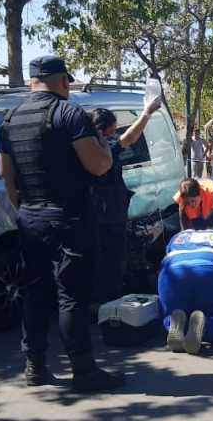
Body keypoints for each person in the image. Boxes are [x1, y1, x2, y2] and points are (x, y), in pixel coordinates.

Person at [0, 55, 120, 392]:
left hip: (30, 218)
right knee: (72, 296)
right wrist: (106, 149)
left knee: (34, 293)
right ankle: (83, 371)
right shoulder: (69, 113)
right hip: (70, 218)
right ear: (63, 80)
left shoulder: (10, 120)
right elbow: (96, 166)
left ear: (32, 81)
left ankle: (34, 367)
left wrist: (26, 210)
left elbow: (6, 178)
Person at [89, 98, 162, 304]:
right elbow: (129, 138)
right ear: (103, 131)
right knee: (110, 264)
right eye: (112, 130)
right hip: (108, 216)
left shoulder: (84, 149)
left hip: (98, 214)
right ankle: (109, 306)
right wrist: (146, 113)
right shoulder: (102, 147)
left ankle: (101, 303)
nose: (115, 135)